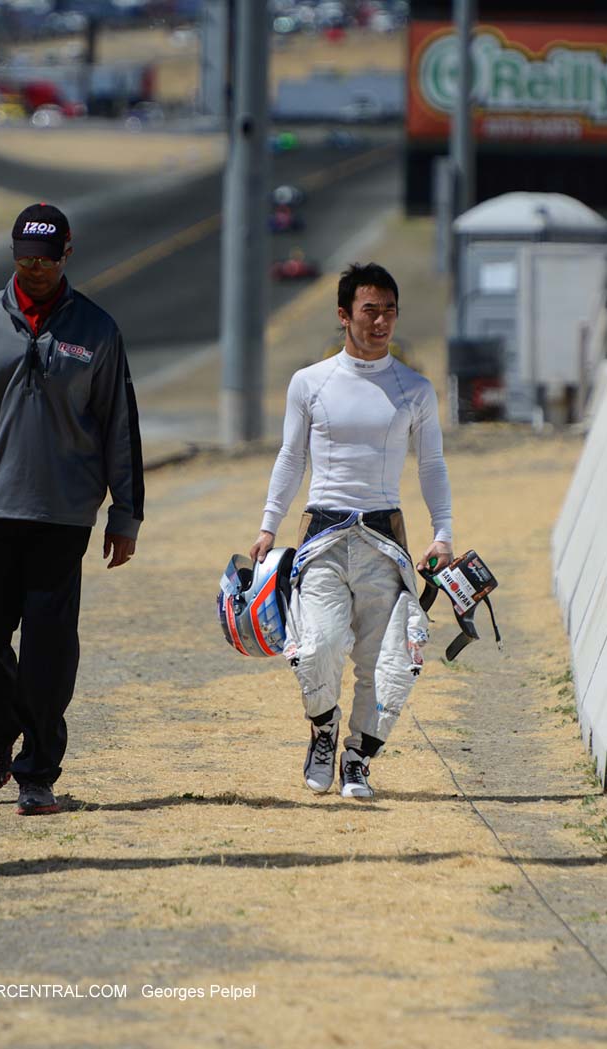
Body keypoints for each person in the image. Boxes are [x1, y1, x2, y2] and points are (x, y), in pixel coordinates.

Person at [0, 203, 144, 816]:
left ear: (67, 254)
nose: (35, 268)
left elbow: (119, 428)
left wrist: (126, 514)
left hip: (60, 517)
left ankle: (38, 770)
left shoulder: (96, 330)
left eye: (46, 258)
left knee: (48, 649)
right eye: (25, 257)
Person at [249, 263, 453, 799]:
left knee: (389, 664)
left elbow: (431, 465)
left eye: (389, 310)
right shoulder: (310, 383)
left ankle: (359, 757)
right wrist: (269, 525)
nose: (381, 320)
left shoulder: (415, 390)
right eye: (369, 310)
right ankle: (322, 730)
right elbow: (291, 457)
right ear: (344, 315)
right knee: (315, 647)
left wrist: (444, 532)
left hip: (386, 542)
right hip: (323, 537)